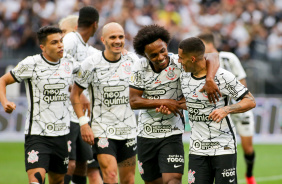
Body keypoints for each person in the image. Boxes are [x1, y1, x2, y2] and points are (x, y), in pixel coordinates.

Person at [129, 24, 220, 184]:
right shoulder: (139, 67)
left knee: (173, 180)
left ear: (167, 45)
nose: (160, 57)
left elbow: (213, 56)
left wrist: (209, 79)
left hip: (172, 133)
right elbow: (134, 101)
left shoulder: (178, 63)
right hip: (145, 135)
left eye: (162, 50)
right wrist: (164, 102)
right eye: (154, 55)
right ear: (145, 55)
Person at [0, 26, 78, 184]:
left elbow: (85, 77)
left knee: (58, 181)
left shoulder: (69, 64)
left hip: (62, 135)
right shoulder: (31, 64)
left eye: (61, 41)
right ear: (43, 47)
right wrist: (5, 102)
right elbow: (2, 80)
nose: (60, 45)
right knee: (36, 181)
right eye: (54, 42)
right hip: (37, 135)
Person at [177, 37, 256, 184]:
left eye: (181, 58)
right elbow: (189, 101)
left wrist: (226, 109)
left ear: (193, 59)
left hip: (223, 147)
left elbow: (250, 101)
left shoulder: (223, 77)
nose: (179, 61)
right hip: (197, 149)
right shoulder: (183, 76)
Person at [70, 22, 138, 184]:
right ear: (103, 40)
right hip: (103, 130)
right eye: (112, 37)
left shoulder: (133, 60)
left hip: (128, 130)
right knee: (110, 176)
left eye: (120, 37)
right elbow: (75, 95)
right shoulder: (91, 63)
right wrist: (83, 123)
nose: (117, 41)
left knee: (128, 180)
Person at [61, 6, 102, 184]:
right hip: (66, 114)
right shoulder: (70, 39)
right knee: (69, 164)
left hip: (80, 117)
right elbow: (58, 69)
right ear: (95, 24)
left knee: (82, 165)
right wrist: (78, 94)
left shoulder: (87, 48)